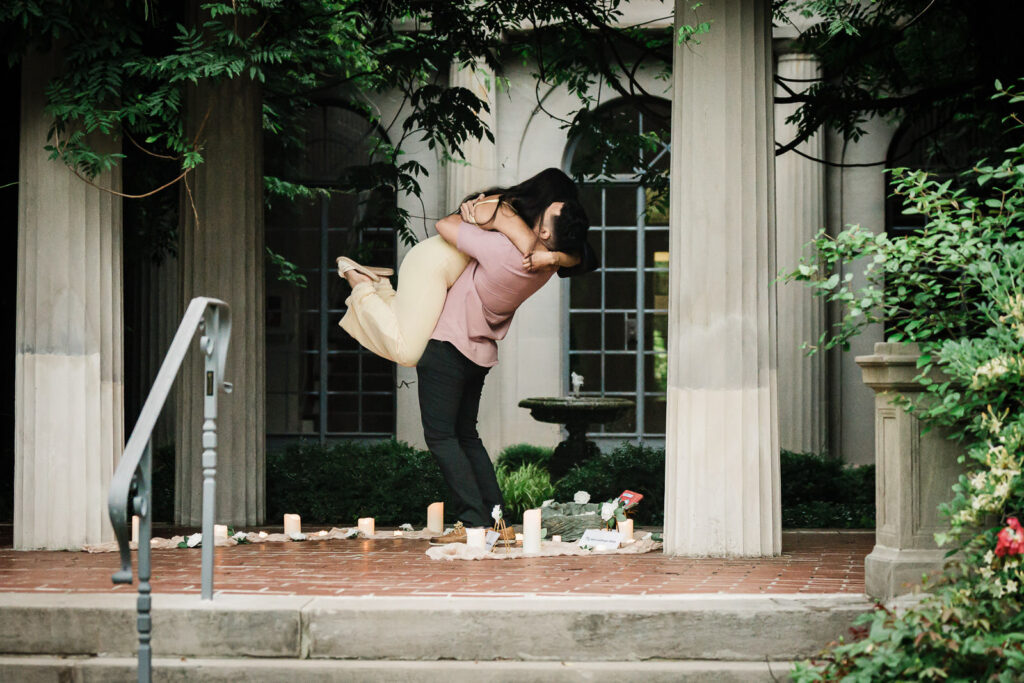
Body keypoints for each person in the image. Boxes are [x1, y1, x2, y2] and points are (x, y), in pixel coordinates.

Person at [337, 169, 592, 539]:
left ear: (546, 232)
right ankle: (498, 524)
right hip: (478, 354)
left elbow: (446, 227)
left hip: (448, 347)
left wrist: (494, 217)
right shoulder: (545, 268)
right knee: (466, 437)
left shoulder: (504, 252)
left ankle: (473, 521)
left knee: (441, 438)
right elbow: (573, 256)